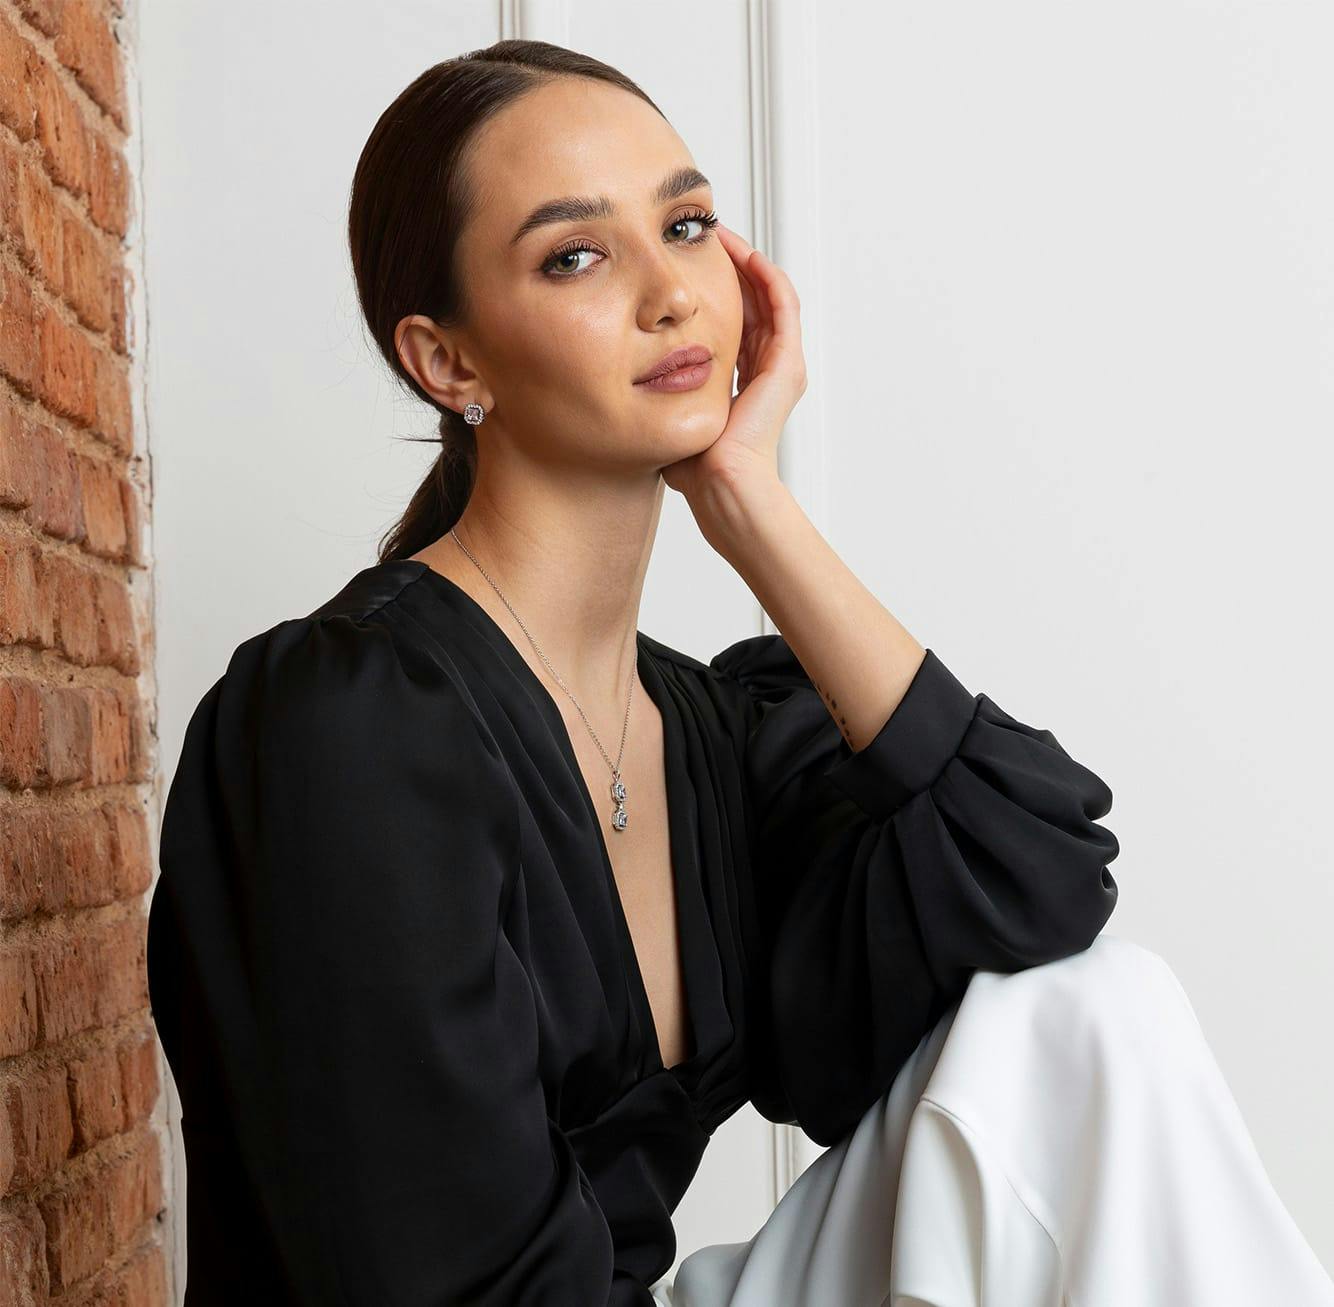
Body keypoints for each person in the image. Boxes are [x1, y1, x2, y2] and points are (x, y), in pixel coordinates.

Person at [145, 39, 1334, 1306]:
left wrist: (752, 505)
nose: (672, 295)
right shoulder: (349, 723)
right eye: (576, 255)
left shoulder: (708, 730)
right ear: (450, 363)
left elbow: (1039, 875)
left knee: (1100, 1014)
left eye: (689, 223)